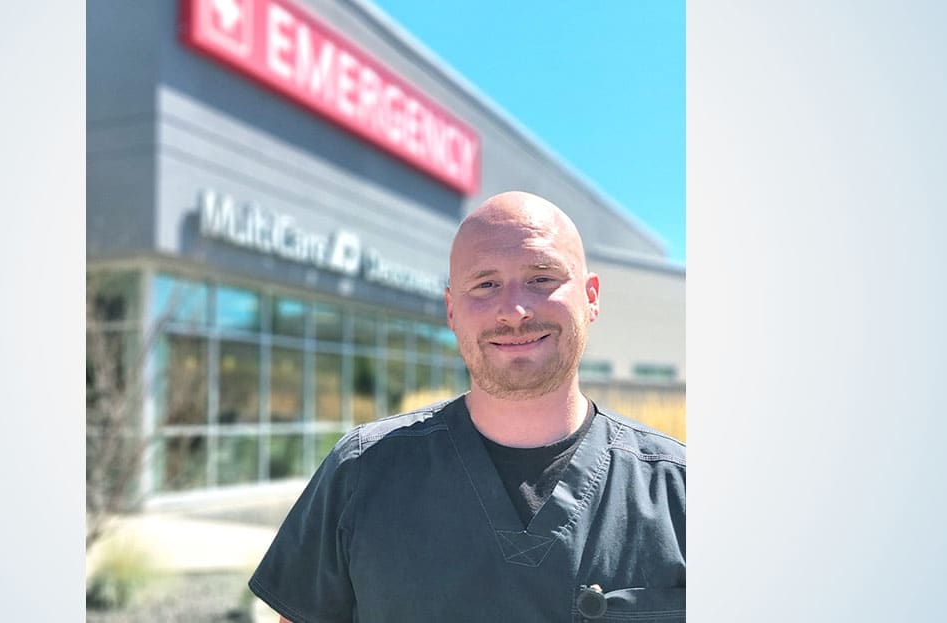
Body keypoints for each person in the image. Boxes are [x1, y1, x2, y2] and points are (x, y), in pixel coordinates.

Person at [249, 191, 685, 622]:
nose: (513, 311)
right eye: (486, 284)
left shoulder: (680, 492)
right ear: (452, 311)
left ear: (591, 296)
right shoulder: (360, 472)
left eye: (541, 278)